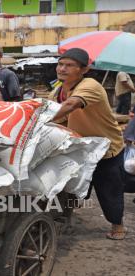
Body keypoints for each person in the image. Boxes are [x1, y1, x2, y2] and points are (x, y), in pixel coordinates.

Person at [50, 48, 127, 240]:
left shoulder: (89, 85)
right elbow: (54, 112)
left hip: (105, 148)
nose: (62, 69)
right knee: (72, 186)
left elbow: (70, 106)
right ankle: (66, 216)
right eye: (60, 64)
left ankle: (118, 226)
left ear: (84, 69)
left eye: (69, 65)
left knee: (108, 189)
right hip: (81, 146)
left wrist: (38, 120)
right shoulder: (58, 89)